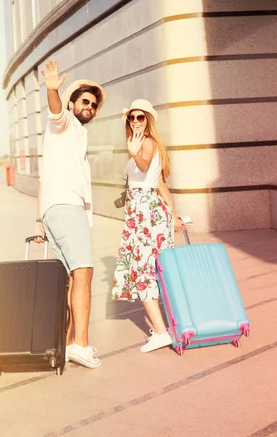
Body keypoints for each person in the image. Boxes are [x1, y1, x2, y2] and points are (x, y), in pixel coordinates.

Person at [35, 60, 105, 369]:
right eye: (84, 101)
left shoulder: (72, 136)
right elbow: (55, 112)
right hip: (66, 207)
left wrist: (40, 221)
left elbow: (41, 181)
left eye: (93, 104)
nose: (89, 106)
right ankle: (82, 344)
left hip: (53, 210)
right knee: (83, 271)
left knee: (67, 280)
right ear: (72, 103)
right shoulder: (64, 123)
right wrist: (52, 89)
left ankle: (62, 344)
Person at [111, 99, 182, 352]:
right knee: (150, 269)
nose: (136, 121)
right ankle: (164, 326)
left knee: (143, 272)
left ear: (148, 120)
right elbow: (162, 184)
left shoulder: (148, 143)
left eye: (141, 117)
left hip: (147, 214)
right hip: (141, 213)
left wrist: (134, 153)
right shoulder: (139, 144)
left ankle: (162, 332)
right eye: (132, 117)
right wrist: (173, 215)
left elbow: (148, 171)